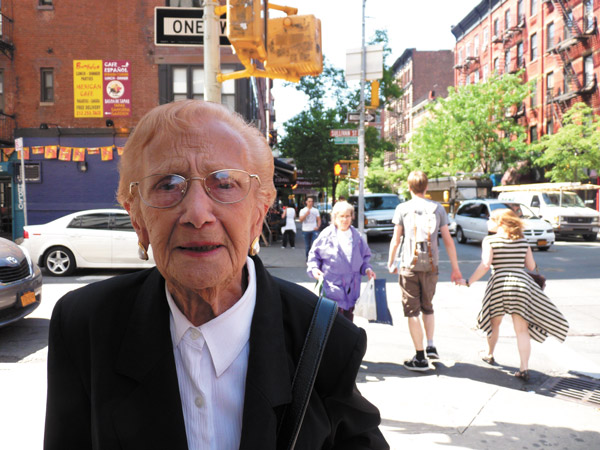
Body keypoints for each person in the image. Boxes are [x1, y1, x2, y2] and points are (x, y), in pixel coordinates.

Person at [44, 100, 388, 450]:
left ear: (258, 214)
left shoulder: (324, 336)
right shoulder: (84, 325)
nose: (196, 213)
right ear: (137, 218)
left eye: (224, 183)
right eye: (167, 184)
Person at [460, 208, 569, 381]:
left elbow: (485, 264)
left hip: (499, 285)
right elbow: (531, 266)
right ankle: (524, 368)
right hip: (521, 285)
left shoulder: (490, 240)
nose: (488, 222)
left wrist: (469, 281)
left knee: (494, 323)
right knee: (522, 329)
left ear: (500, 222)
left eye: (491, 219)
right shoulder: (523, 241)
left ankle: (489, 354)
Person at [387, 170, 462, 372]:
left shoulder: (402, 208)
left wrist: (391, 261)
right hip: (431, 266)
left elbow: (396, 240)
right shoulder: (438, 209)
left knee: (412, 311)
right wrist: (456, 269)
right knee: (428, 307)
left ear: (409, 188)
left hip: (409, 265)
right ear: (426, 187)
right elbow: (448, 240)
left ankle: (419, 357)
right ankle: (430, 345)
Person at [307, 201, 376, 322]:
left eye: (347, 216)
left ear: (352, 217)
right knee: (333, 327)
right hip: (332, 290)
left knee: (349, 326)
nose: (345, 219)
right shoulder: (326, 235)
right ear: (335, 217)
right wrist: (314, 269)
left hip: (352, 292)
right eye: (341, 216)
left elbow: (364, 258)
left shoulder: (357, 237)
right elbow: (314, 256)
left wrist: (367, 269)